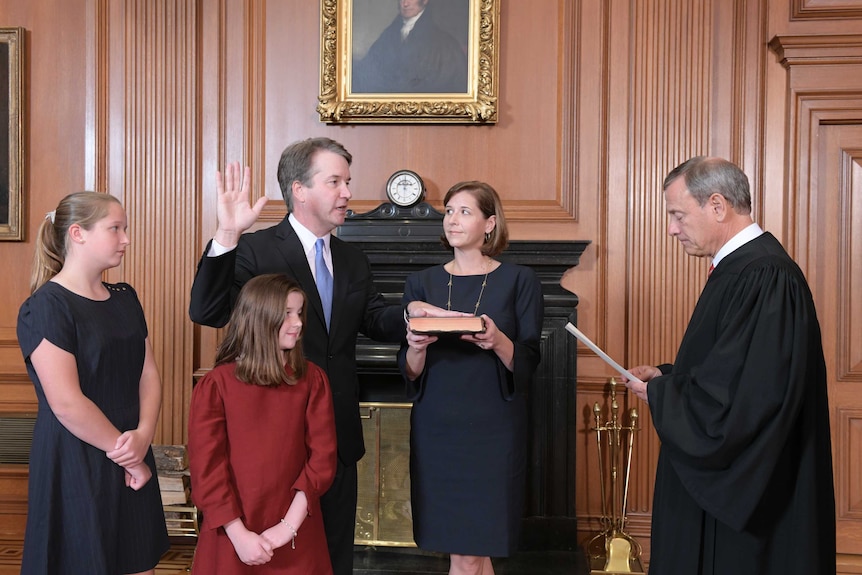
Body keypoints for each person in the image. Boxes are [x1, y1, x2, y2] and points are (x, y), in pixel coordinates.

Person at [188, 137, 442, 575]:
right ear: (300, 190)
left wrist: (410, 316)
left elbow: (373, 317)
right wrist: (228, 232)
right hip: (275, 445)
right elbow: (207, 311)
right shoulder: (256, 249)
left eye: (348, 181)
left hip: (336, 440)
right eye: (335, 181)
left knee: (332, 560)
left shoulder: (352, 258)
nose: (347, 192)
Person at [621, 157, 836, 574]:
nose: (672, 229)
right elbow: (730, 367)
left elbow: (750, 398)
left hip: (758, 499)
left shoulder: (766, 276)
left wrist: (666, 395)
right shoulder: (743, 270)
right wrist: (670, 378)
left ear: (717, 205)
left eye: (678, 214)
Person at [16, 192, 169, 574]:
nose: (126, 239)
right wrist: (129, 455)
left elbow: (148, 373)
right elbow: (67, 403)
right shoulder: (47, 306)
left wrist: (143, 437)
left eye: (125, 228)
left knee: (138, 562)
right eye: (115, 228)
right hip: (75, 455)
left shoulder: (125, 297)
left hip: (132, 445)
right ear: (78, 234)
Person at [399, 181, 544, 575]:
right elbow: (410, 372)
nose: (452, 219)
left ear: (490, 223)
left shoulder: (519, 280)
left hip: (492, 429)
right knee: (467, 551)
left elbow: (530, 359)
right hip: (437, 429)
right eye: (448, 211)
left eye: (464, 211)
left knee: (471, 549)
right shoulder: (421, 284)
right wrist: (415, 346)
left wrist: (498, 341)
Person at [188, 274, 337, 574]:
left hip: (297, 532)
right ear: (259, 318)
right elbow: (207, 470)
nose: (298, 323)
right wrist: (239, 535)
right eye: (287, 314)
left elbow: (322, 461)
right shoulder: (216, 386)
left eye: (299, 313)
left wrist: (287, 528)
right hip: (230, 533)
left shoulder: (313, 380)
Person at [353, 0, 468, 94]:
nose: (405, 4)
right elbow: (367, 70)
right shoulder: (389, 35)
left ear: (425, 1)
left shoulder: (444, 44)